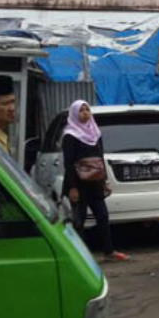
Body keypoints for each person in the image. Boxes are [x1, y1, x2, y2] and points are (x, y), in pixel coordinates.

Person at [61, 100, 129, 262]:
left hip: (95, 183)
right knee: (80, 220)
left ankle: (108, 252)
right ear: (74, 114)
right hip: (78, 184)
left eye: (87, 109)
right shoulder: (70, 135)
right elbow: (68, 163)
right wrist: (72, 188)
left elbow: (100, 158)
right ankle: (81, 255)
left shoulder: (95, 133)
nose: (85, 113)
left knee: (102, 216)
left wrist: (105, 181)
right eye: (81, 110)